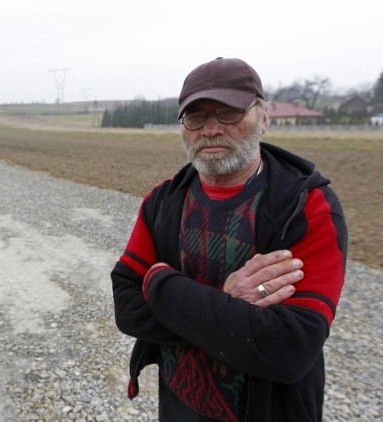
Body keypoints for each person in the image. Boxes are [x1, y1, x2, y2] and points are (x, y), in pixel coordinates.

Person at [111, 57, 347, 421]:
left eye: (228, 113)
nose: (210, 129)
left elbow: (290, 348)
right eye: (196, 116)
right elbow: (127, 309)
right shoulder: (162, 202)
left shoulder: (307, 207)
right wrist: (227, 302)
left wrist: (162, 285)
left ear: (264, 118)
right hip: (178, 407)